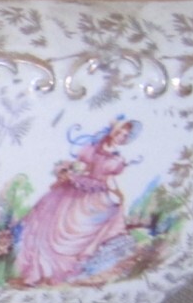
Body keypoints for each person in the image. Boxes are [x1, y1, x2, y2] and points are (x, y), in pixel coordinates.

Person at [13, 118, 139, 287]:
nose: (121, 137)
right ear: (112, 131)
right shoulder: (91, 149)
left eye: (125, 136)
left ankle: (61, 271)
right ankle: (38, 271)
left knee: (95, 220)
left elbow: (110, 181)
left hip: (97, 194)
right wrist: (67, 172)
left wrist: (118, 194)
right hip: (76, 188)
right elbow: (79, 166)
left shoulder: (117, 160)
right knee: (51, 224)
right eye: (119, 133)